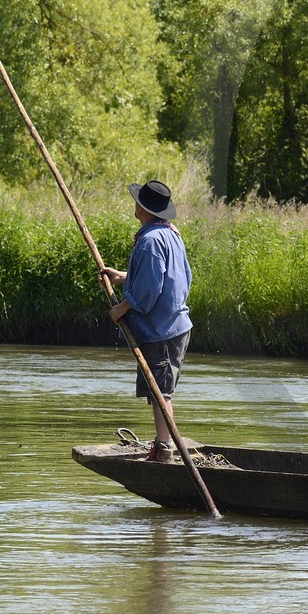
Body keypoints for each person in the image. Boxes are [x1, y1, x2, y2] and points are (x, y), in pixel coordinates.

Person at [101, 180, 192, 462]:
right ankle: (163, 444)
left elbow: (151, 289)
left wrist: (123, 308)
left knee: (160, 391)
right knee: (159, 391)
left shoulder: (151, 240)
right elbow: (169, 277)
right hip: (172, 325)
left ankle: (164, 449)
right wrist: (124, 277)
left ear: (143, 207)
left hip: (161, 329)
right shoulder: (170, 234)